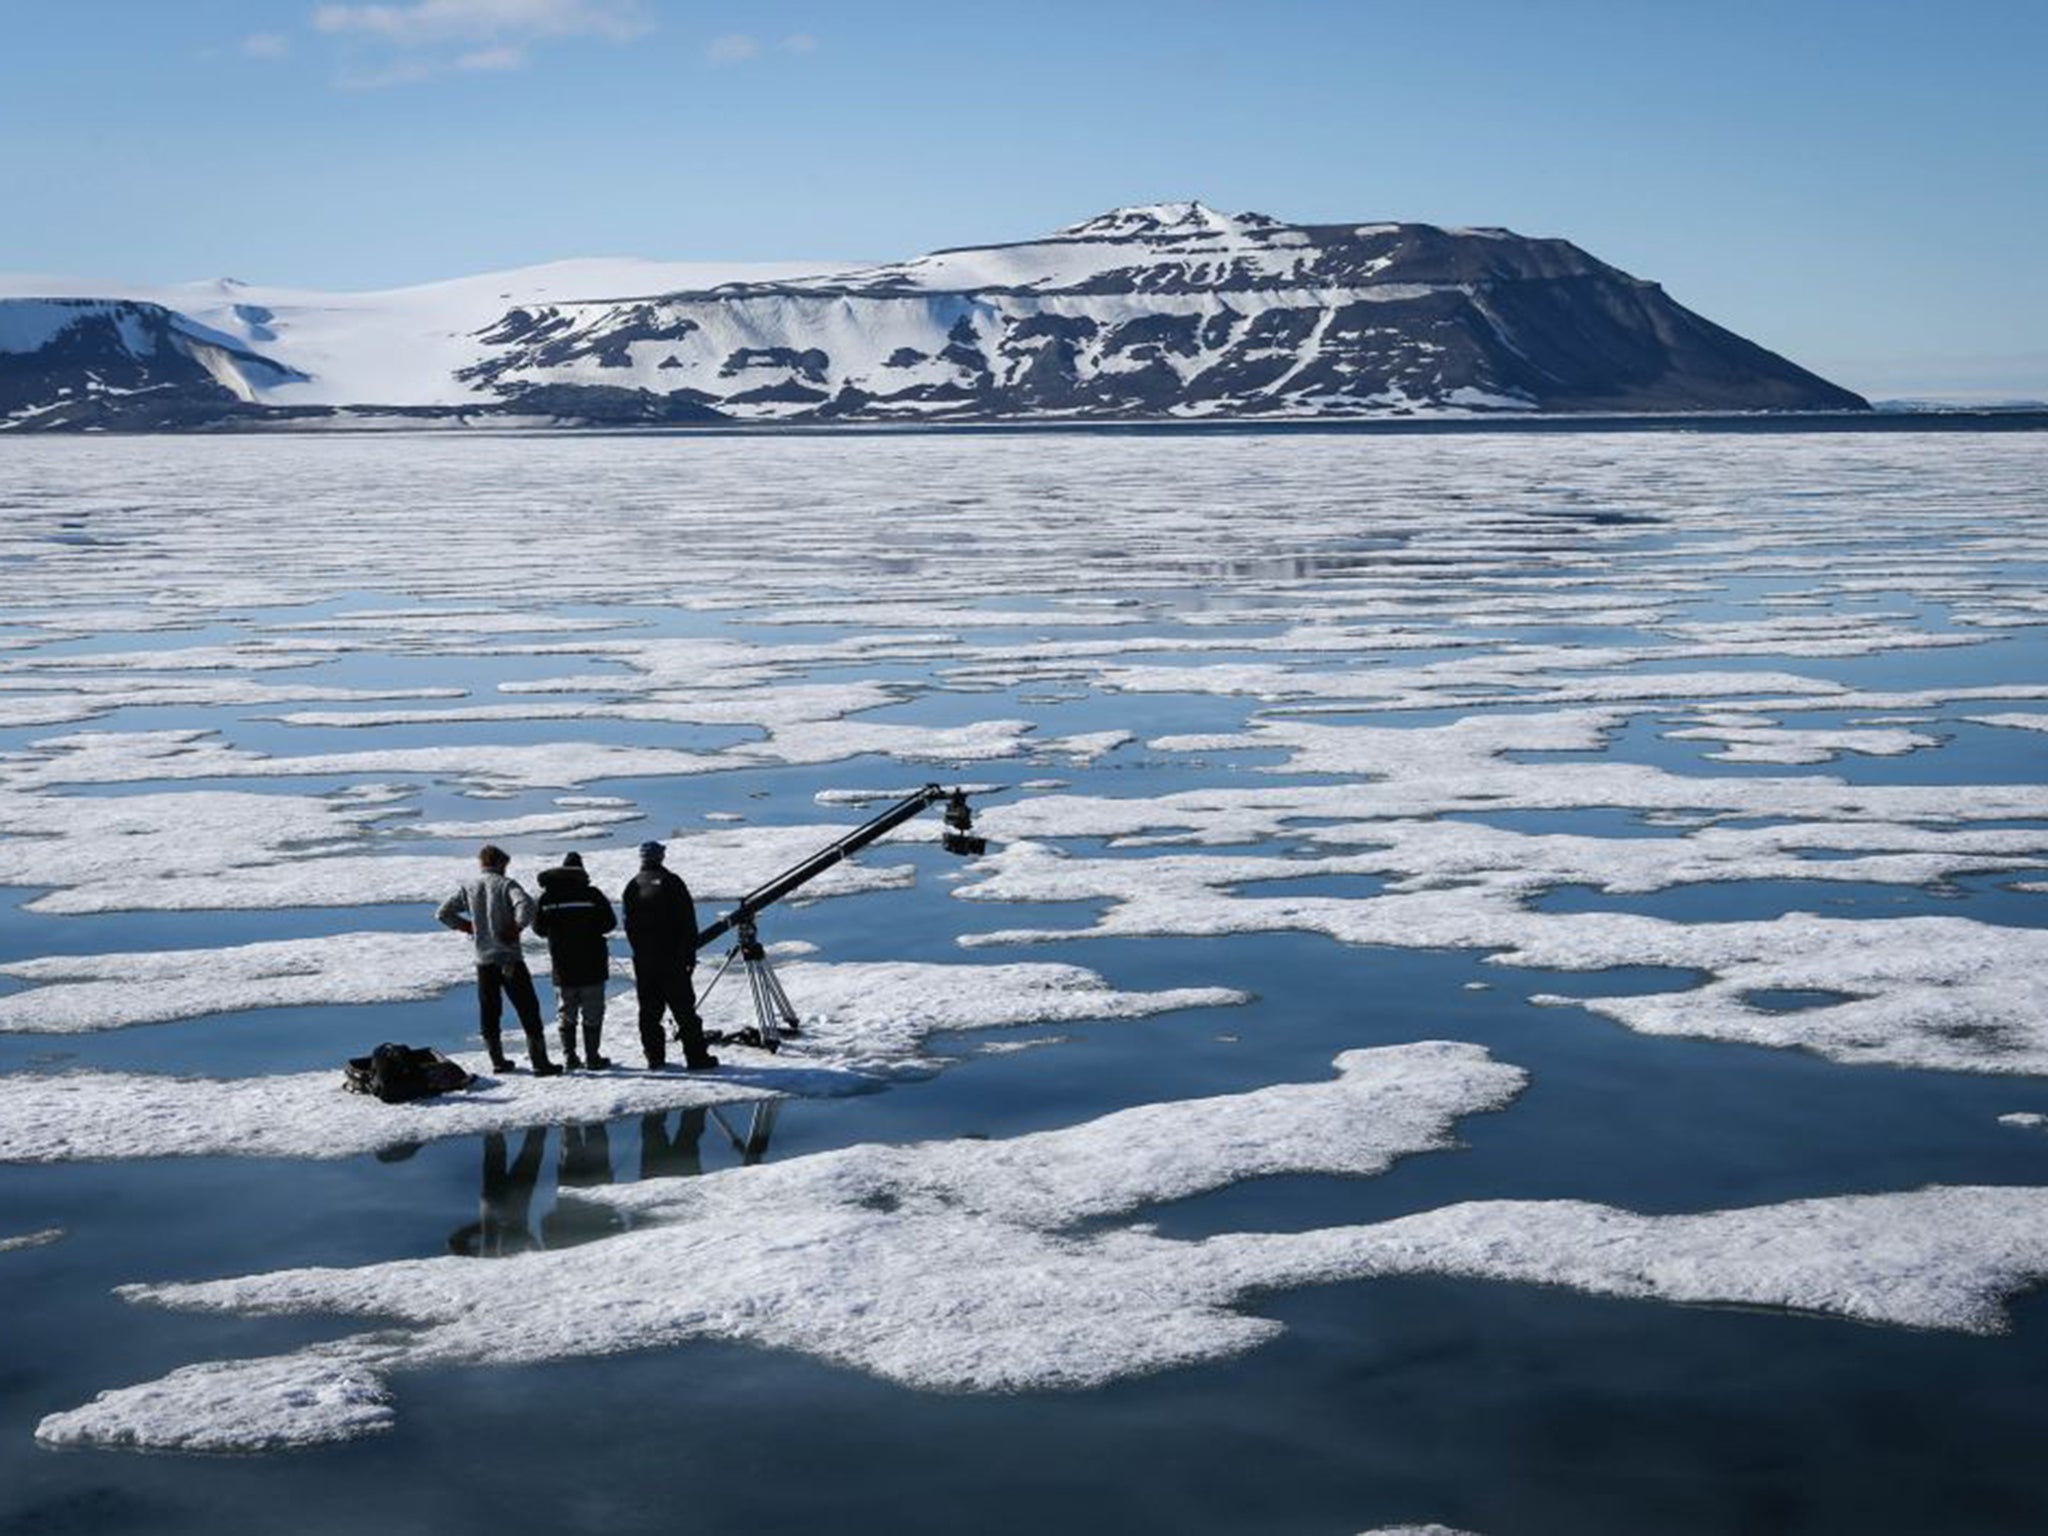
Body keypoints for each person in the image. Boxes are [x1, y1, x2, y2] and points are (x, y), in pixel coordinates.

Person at [436, 843, 560, 1076]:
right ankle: (540, 1062)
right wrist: (516, 927)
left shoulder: (469, 887)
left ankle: (498, 1061)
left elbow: (443, 913)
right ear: (501, 863)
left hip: (484, 960)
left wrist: (467, 926)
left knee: (490, 1011)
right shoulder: (506, 885)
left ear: (482, 863)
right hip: (509, 959)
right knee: (528, 1010)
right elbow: (526, 904)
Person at [621, 839, 717, 1071]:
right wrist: (689, 955)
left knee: (649, 1011)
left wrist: (639, 952)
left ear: (642, 859)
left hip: (644, 960)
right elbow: (687, 921)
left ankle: (654, 1058)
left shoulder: (632, 886)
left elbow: (627, 925)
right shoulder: (672, 883)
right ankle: (696, 1058)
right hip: (672, 958)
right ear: (661, 857)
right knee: (684, 1010)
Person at [531, 850, 617, 1071]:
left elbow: (538, 929)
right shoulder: (592, 895)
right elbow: (609, 923)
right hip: (592, 965)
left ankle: (570, 1057)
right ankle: (592, 1058)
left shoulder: (547, 898)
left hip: (562, 966)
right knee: (592, 1012)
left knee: (566, 1013)